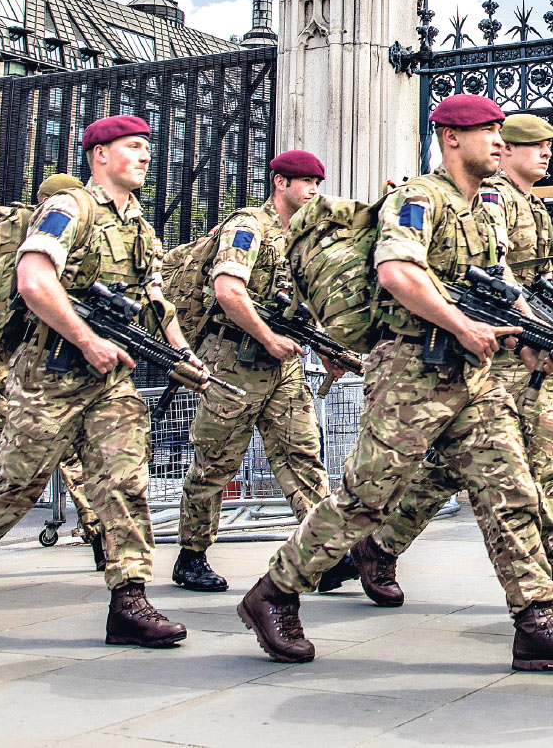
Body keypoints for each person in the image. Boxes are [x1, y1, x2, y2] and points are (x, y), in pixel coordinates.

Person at [237, 94, 553, 671]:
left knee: (511, 490)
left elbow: (503, 285)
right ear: (451, 138)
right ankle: (274, 593)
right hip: (412, 372)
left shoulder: (486, 208)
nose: (499, 144)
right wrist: (462, 324)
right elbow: (397, 271)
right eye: (488, 132)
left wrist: (534, 338)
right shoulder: (417, 198)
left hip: (472, 376)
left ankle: (536, 620)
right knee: (365, 501)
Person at [0, 114, 197, 648]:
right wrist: (87, 338)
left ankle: (129, 600)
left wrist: (180, 352)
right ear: (100, 155)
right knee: (15, 484)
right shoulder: (69, 208)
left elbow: (155, 299)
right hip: (51, 375)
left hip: (109, 380)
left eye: (145, 148)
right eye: (132, 147)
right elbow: (34, 280)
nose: (143, 156)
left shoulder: (138, 223)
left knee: (125, 483)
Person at [358, 113, 553, 605]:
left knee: (471, 464)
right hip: (488, 343)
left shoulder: (538, 209)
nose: (546, 153)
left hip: (517, 340)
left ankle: (381, 546)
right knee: (517, 465)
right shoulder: (491, 198)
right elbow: (494, 271)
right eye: (534, 145)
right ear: (506, 151)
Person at [171, 150, 353, 594]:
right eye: (303, 181)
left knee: (303, 456)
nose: (312, 189)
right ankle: (190, 556)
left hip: (282, 367)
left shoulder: (306, 238)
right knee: (216, 461)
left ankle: (322, 554)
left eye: (317, 182)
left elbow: (302, 305)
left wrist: (326, 347)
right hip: (233, 361)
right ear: (279, 182)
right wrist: (268, 338)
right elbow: (228, 291)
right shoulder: (248, 226)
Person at [0, 173, 105, 574]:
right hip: (34, 364)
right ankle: (105, 540)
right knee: (66, 459)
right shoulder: (49, 242)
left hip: (0, 367)